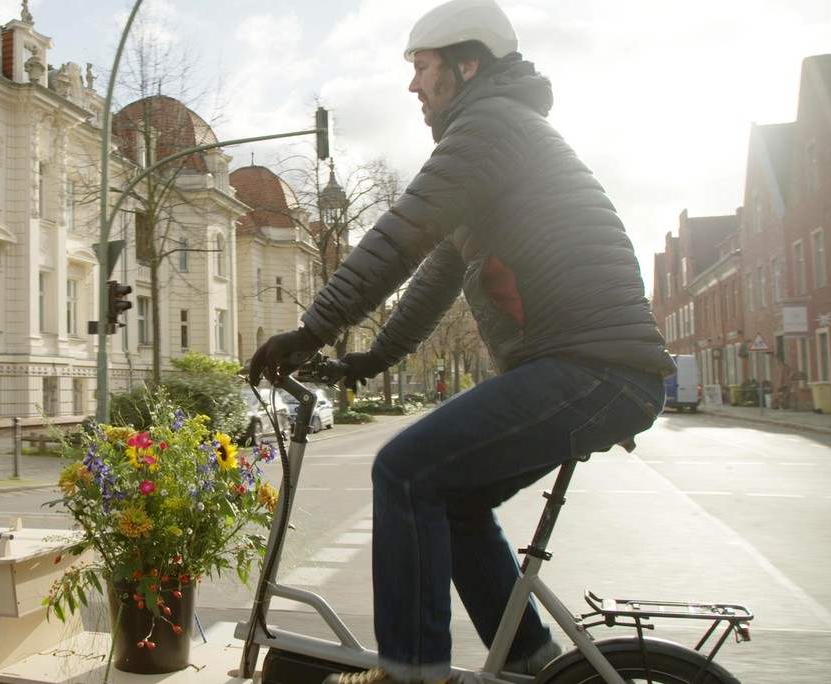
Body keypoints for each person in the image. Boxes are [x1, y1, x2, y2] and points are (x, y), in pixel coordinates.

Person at [246, 1, 676, 683]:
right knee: (456, 498)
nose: (412, 84)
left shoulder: (491, 127)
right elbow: (431, 280)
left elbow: (401, 233)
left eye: (423, 67)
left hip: (591, 369)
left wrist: (309, 330)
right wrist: (367, 360)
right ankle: (532, 664)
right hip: (595, 372)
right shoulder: (498, 145)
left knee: (404, 470)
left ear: (467, 65)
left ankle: (410, 673)